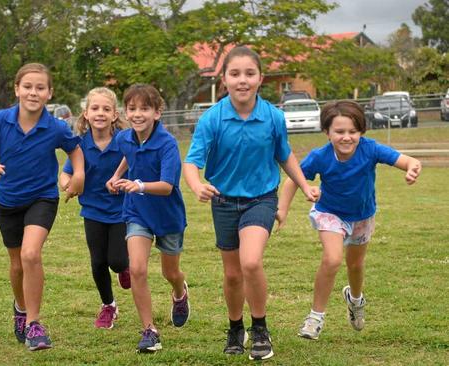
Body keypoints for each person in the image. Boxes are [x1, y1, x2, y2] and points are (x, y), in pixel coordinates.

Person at [183, 46, 318, 361]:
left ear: (260, 78)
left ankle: (260, 328)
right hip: (224, 202)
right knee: (232, 275)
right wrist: (196, 185)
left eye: (249, 73)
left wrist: (304, 185)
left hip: (261, 199)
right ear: (224, 79)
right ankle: (235, 328)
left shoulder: (273, 116)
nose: (242, 80)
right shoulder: (212, 119)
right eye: (235, 73)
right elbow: (191, 163)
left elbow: (283, 155)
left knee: (251, 262)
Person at [0, 63, 84, 351]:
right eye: (27, 86)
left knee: (31, 254)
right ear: (17, 89)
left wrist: (78, 175)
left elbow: (74, 149)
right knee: (16, 264)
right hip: (8, 201)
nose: (33, 92)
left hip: (42, 198)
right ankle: (20, 306)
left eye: (40, 87)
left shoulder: (55, 126)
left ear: (49, 93)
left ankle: (34, 324)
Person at [276, 100, 421, 341]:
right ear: (327, 132)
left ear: (361, 132)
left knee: (355, 265)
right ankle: (315, 317)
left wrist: (412, 168)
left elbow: (407, 160)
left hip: (362, 216)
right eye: (339, 132)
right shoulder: (320, 157)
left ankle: (355, 300)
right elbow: (292, 179)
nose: (346, 137)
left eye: (352, 132)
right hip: (329, 213)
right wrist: (282, 210)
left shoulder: (370, 149)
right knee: (332, 259)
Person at [106, 83, 189, 353]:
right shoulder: (124, 138)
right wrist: (118, 176)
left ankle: (179, 292)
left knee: (170, 272)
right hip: (137, 212)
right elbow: (130, 156)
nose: (137, 114)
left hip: (167, 216)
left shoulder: (167, 144)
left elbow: (167, 186)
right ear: (125, 112)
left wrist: (138, 185)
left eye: (145, 108)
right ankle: (149, 330)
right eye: (132, 108)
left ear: (157, 112)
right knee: (138, 269)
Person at [59, 87, 130, 330]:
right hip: (92, 211)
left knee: (117, 261)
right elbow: (66, 172)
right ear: (86, 114)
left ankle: (125, 268)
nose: (100, 113)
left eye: (106, 109)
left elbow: (138, 166)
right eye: (95, 108)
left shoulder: (124, 140)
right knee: (98, 262)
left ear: (114, 115)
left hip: (121, 209)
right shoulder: (80, 145)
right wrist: (66, 184)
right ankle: (108, 305)